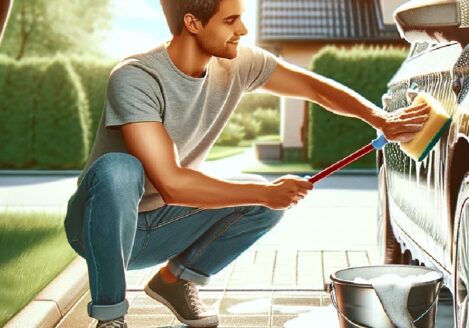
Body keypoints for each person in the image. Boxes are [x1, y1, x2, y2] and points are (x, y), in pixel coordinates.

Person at [63, 0, 431, 327]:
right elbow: (172, 182)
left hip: (162, 225)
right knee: (118, 170)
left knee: (259, 198)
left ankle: (175, 282)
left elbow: (313, 88)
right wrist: (264, 192)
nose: (243, 29)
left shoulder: (237, 63)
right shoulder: (135, 77)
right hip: (98, 227)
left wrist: (380, 119)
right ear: (193, 23)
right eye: (231, 20)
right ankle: (110, 317)